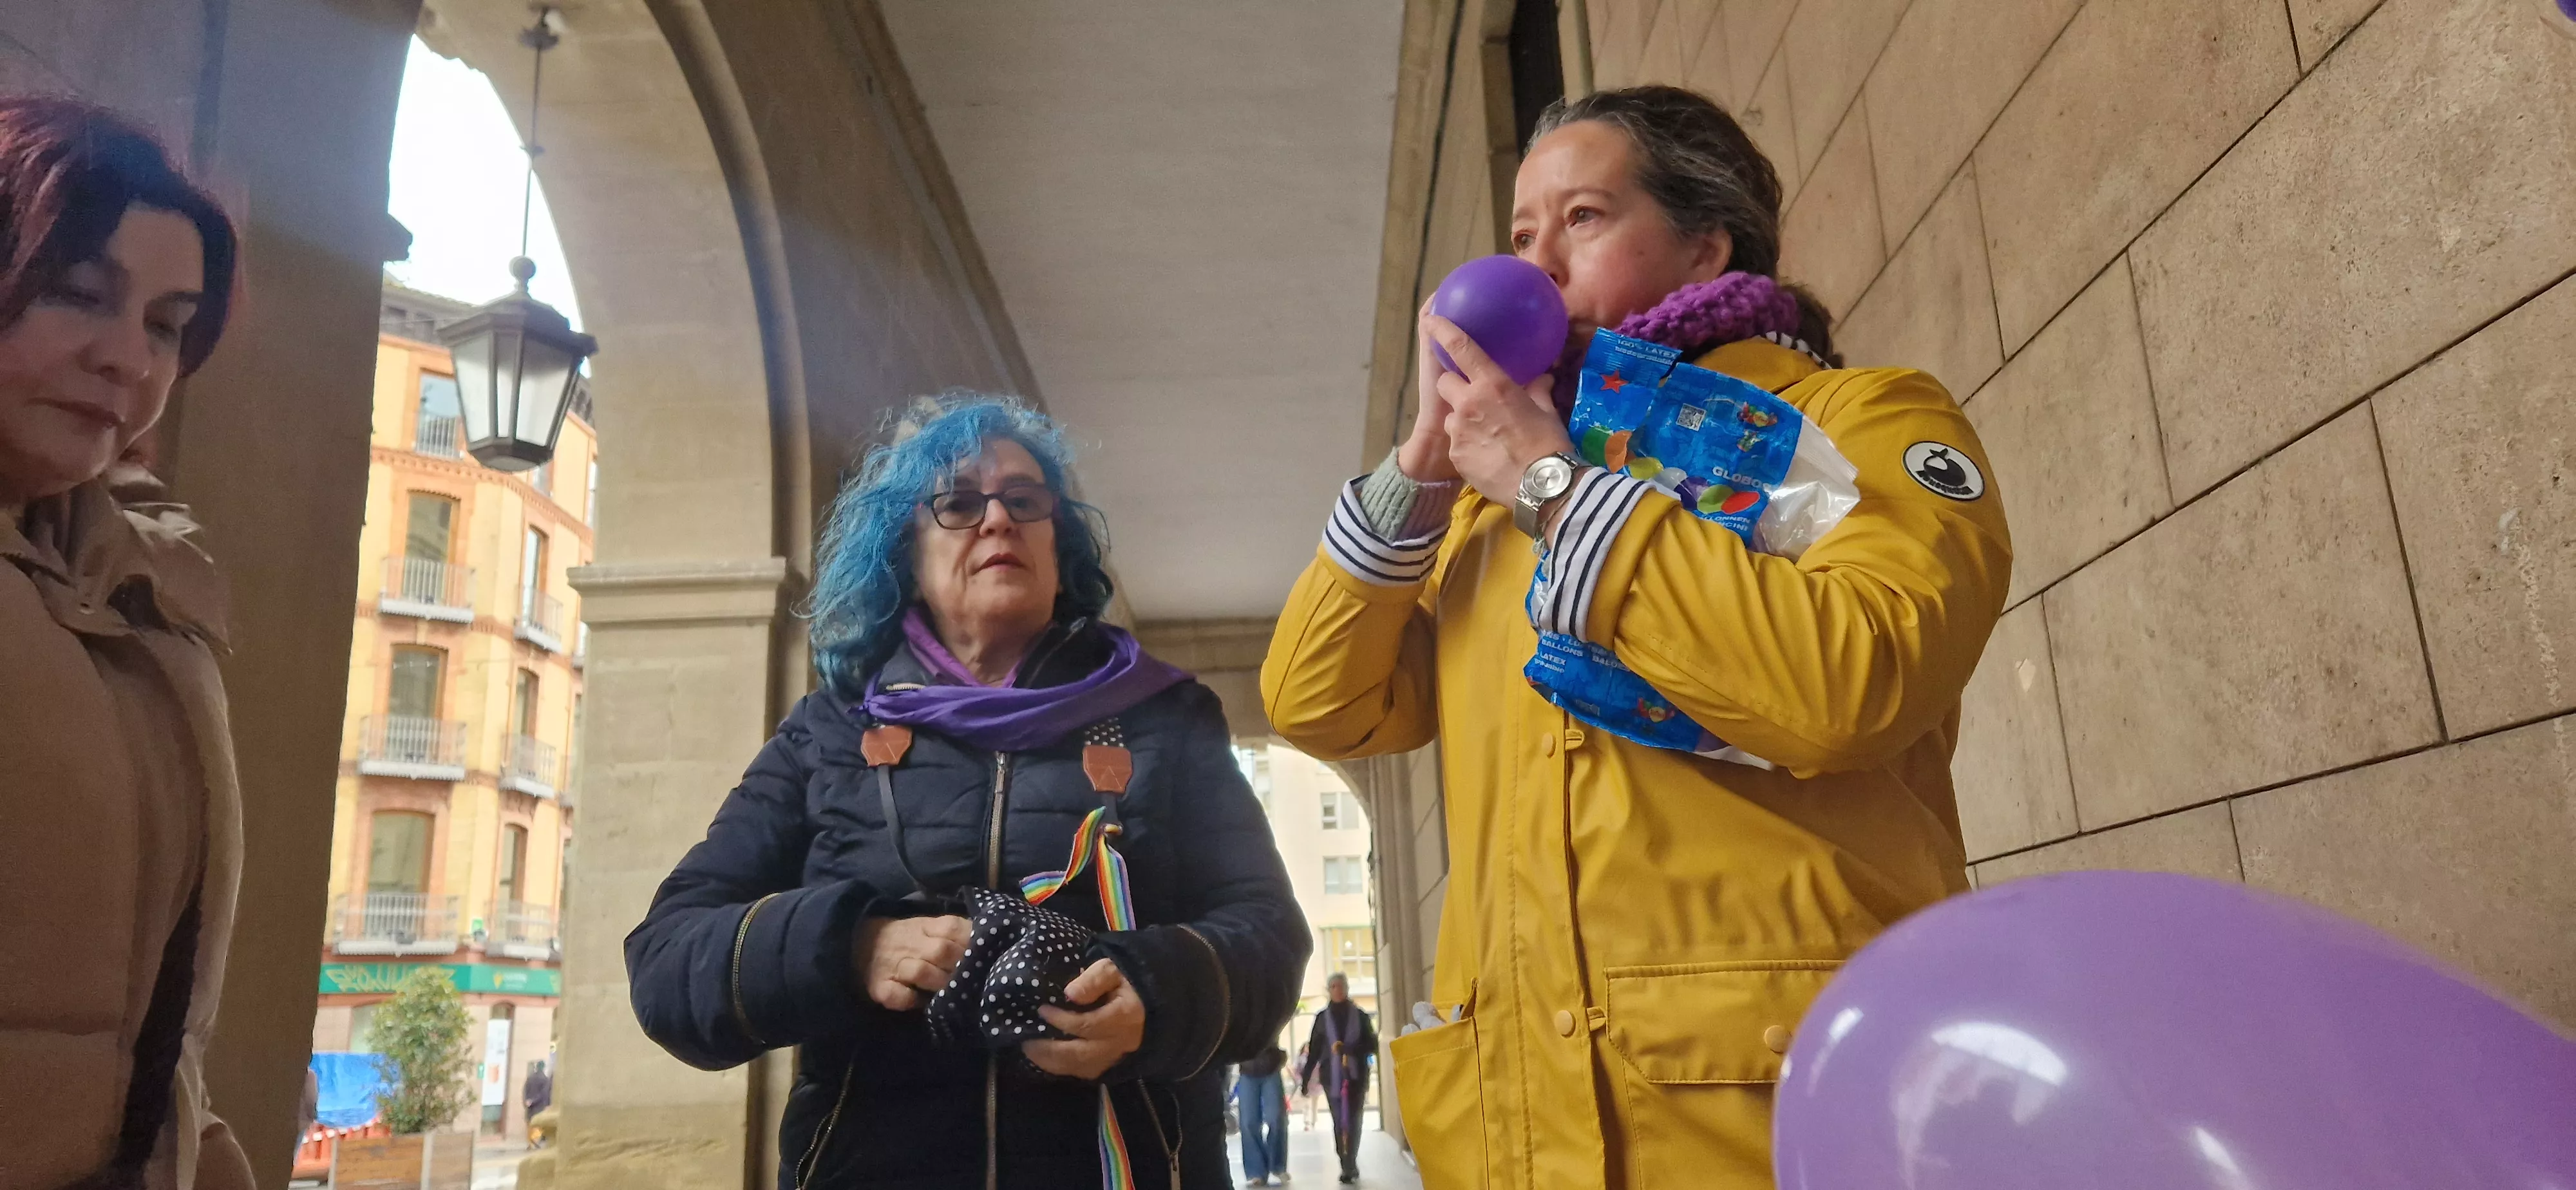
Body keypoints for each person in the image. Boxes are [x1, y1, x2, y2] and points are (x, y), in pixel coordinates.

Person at [1262, 85, 2012, 1190]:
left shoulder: (1867, 420)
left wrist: (1563, 493)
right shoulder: (1485, 506)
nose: (1533, 270)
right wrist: (1420, 466)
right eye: (1519, 235)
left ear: (1706, 246)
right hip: (1520, 1129)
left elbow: (1857, 680)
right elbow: (1318, 700)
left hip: (1775, 1122)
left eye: (1582, 219)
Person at [628, 394, 1311, 1189]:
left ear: (1062, 546)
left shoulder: (1168, 720)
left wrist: (1154, 995)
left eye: (1025, 500)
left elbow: (1269, 939)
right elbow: (666, 960)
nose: (997, 520)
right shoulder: (827, 733)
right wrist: (850, 945)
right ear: (904, 554)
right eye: (957, 503)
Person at [0, 97, 250, 1190]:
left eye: (164, 322)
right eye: (79, 295)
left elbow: (160, 1017)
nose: (128, 360)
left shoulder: (152, 590)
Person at [1295, 975, 1374, 1184]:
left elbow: (1372, 1045)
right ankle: (1345, 1162)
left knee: (1354, 1122)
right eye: (1333, 986)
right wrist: (1305, 1081)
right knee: (1340, 1123)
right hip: (1332, 1079)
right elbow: (1314, 1051)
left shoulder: (1361, 1016)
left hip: (1356, 1079)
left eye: (1341, 986)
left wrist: (1350, 1049)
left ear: (1347, 989)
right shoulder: (1322, 1018)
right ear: (1328, 990)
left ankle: (1351, 1162)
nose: (1338, 989)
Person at [1231, 1043, 1291, 1185]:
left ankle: (1277, 1166)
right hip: (1247, 1070)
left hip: (1270, 1067)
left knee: (1276, 1118)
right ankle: (1256, 1171)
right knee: (1248, 1122)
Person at [521, 1059, 553, 1141]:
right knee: (538, 1125)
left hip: (529, 1107)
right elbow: (544, 1094)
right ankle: (535, 1142)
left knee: (530, 1124)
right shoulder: (545, 1079)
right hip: (539, 1106)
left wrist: (527, 1101)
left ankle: (530, 1143)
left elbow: (525, 1090)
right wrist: (533, 1101)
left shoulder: (530, 1077)